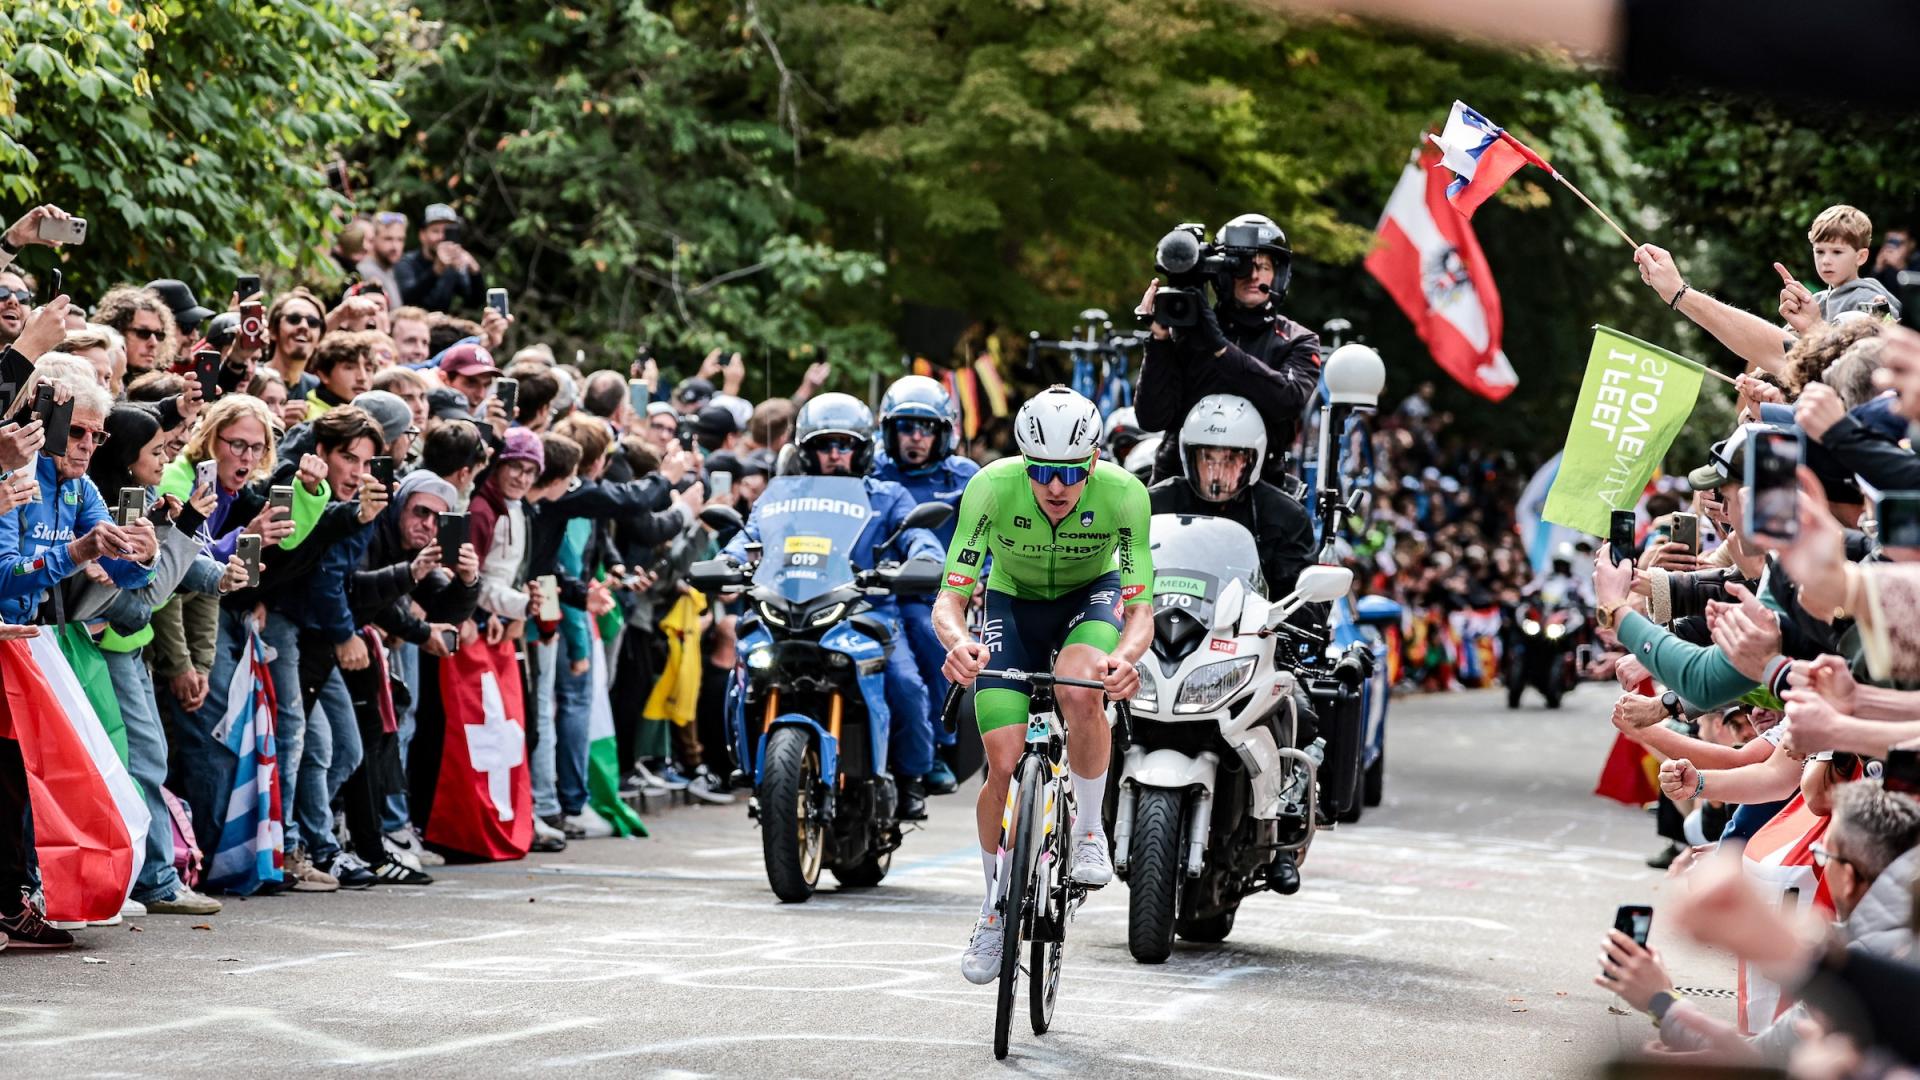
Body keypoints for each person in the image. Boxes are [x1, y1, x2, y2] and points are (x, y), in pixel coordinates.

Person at [934, 385, 1154, 984]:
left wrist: (1127, 660)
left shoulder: (1126, 496)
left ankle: (1087, 830)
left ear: (1094, 462)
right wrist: (958, 643)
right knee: (1002, 758)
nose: (1056, 487)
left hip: (1092, 597)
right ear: (1025, 463)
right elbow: (951, 599)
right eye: (1042, 471)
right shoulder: (990, 488)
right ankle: (992, 910)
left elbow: (1139, 612)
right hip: (1013, 603)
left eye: (1071, 472)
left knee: (1081, 688)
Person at [720, 392, 945, 820]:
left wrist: (925, 558)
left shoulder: (888, 495)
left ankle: (914, 776)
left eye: (845, 446)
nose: (835, 455)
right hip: (788, 609)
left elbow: (919, 537)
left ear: (862, 451)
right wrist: (730, 560)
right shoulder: (780, 497)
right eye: (825, 445)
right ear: (807, 452)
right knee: (745, 665)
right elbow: (748, 536)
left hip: (867, 610)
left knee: (905, 683)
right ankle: (744, 762)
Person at [1134, 214, 1321, 486]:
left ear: (1279, 274)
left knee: (1299, 525)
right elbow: (1151, 418)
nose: (1253, 274)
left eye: (1263, 266)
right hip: (1179, 479)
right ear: (1222, 273)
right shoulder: (1185, 330)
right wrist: (1159, 339)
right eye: (1242, 266)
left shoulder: (1298, 340)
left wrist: (1219, 346)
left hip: (1260, 485)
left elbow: (1287, 400)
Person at [870, 375, 981, 794]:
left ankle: (938, 744)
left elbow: (985, 533)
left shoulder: (964, 476)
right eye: (905, 426)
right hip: (871, 591)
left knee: (931, 639)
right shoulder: (871, 471)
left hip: (932, 596)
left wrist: (980, 578)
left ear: (943, 432)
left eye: (926, 427)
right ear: (888, 431)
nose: (915, 437)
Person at [1147, 393, 1314, 602]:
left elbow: (1301, 600)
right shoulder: (1156, 503)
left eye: (1230, 460)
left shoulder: (1286, 516)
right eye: (1207, 458)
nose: (1216, 473)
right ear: (1188, 456)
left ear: (1252, 459)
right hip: (1164, 621)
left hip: (1248, 631)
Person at [395, 204, 486, 313]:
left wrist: (474, 270)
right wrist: (436, 270)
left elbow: (474, 302)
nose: (442, 237)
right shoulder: (406, 262)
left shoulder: (452, 266)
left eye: (447, 232)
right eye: (435, 231)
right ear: (422, 235)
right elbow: (407, 299)